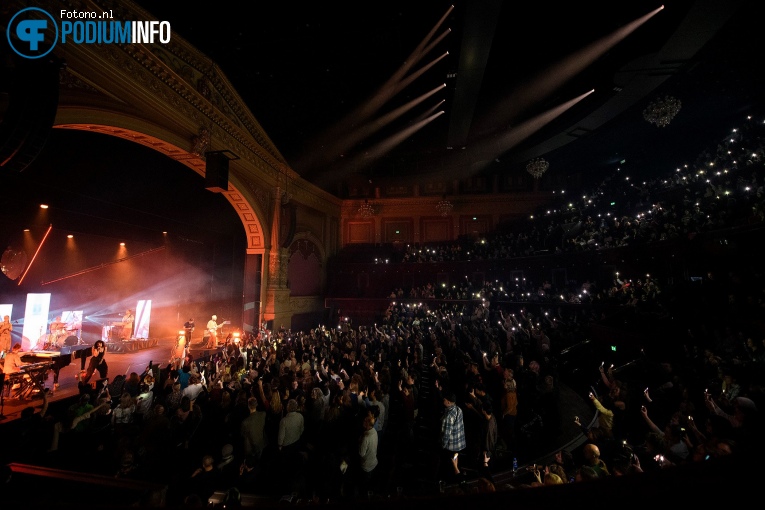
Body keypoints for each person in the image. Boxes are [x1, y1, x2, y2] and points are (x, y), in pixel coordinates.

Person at [440, 391, 466, 482]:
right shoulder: (459, 409)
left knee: (451, 465)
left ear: (449, 402)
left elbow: (446, 434)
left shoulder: (449, 417)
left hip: (450, 446)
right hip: (458, 444)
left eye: (444, 399)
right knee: (455, 460)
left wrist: (442, 446)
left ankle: (456, 480)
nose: (443, 400)